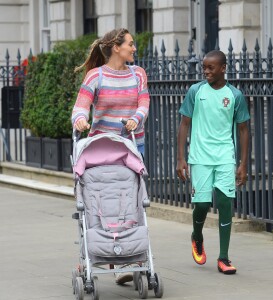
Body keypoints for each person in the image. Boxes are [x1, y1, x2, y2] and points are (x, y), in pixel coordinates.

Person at [71, 28, 150, 284]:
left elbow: (144, 104)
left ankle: (133, 257)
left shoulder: (138, 74)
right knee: (103, 204)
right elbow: (80, 107)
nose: (134, 48)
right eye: (130, 44)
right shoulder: (96, 76)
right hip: (101, 151)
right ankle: (109, 255)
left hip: (132, 147)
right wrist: (81, 120)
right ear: (116, 47)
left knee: (132, 203)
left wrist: (135, 120)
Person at [176, 50, 250, 275]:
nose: (206, 71)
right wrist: (180, 158)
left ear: (223, 68)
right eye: (204, 68)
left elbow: (244, 129)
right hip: (199, 157)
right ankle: (197, 237)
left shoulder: (235, 95)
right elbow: (184, 125)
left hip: (225, 157)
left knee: (226, 203)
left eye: (211, 68)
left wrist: (243, 164)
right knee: (201, 204)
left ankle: (224, 257)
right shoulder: (195, 91)